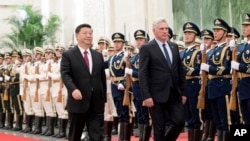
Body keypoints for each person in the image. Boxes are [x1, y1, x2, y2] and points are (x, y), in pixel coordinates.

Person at [139, 18, 187, 141]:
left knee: (180, 121)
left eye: (166, 28)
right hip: (156, 94)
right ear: (154, 31)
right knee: (159, 127)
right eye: (161, 29)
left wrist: (183, 91)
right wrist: (146, 96)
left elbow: (180, 71)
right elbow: (143, 73)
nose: (165, 31)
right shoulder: (147, 48)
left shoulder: (174, 46)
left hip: (174, 93)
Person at [61, 23, 107, 141]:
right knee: (75, 135)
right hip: (78, 101)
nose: (88, 36)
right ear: (77, 36)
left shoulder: (97, 55)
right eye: (85, 33)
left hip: (96, 103)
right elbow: (65, 74)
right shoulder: (68, 55)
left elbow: (102, 78)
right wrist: (73, 89)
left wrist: (103, 98)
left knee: (97, 136)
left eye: (90, 33)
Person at [200, 18, 232, 141]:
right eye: (214, 30)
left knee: (225, 121)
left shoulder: (228, 49)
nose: (215, 32)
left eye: (218, 30)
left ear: (225, 33)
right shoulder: (212, 51)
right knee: (217, 121)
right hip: (212, 87)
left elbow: (225, 68)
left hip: (222, 86)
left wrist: (209, 68)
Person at [125, 29, 152, 141]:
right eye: (137, 40)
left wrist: (132, 72)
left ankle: (145, 137)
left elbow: (146, 73)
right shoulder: (135, 57)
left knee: (147, 115)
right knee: (140, 114)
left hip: (145, 88)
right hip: (136, 89)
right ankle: (141, 137)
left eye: (141, 39)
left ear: (146, 41)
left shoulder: (149, 55)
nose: (138, 42)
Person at [180, 22, 203, 141]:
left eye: (190, 33)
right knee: (188, 117)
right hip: (184, 87)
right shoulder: (181, 53)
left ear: (195, 35)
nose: (187, 36)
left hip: (194, 85)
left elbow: (197, 69)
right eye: (185, 33)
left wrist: (181, 71)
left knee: (196, 116)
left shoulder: (198, 52)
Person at [231, 13, 250, 125]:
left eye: (247, 26)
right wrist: (232, 49)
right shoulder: (242, 46)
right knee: (245, 118)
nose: (244, 28)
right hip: (242, 84)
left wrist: (239, 67)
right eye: (243, 26)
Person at [199, 29, 217, 141]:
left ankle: (211, 134)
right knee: (205, 111)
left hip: (213, 83)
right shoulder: (203, 53)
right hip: (204, 84)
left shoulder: (214, 51)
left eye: (208, 39)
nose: (205, 41)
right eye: (204, 39)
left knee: (212, 111)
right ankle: (206, 134)